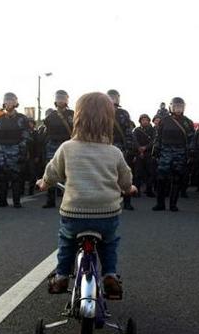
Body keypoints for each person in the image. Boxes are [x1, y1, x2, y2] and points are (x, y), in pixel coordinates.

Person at [36, 92, 136, 299]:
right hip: (106, 213)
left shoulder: (67, 148)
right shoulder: (114, 152)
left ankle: (62, 276)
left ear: (77, 118)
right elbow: (125, 179)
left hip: (75, 212)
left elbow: (52, 173)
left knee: (66, 241)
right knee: (109, 243)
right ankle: (109, 274)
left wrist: (44, 183)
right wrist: (129, 189)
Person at [152, 97, 195, 212]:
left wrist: (190, 152)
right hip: (165, 151)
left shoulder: (188, 122)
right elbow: (158, 137)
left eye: (180, 107)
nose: (178, 109)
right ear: (171, 107)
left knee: (176, 178)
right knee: (161, 178)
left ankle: (173, 205)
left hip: (180, 152)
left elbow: (192, 139)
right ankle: (160, 204)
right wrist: (155, 149)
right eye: (176, 106)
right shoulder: (164, 120)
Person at [0, 92, 30, 208]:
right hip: (1, 150)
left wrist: (22, 151)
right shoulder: (0, 118)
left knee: (15, 176)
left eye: (11, 100)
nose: (9, 103)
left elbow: (26, 136)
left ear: (16, 103)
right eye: (7, 101)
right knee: (1, 176)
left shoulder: (22, 118)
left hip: (15, 149)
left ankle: (16, 201)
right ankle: (2, 200)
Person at [40, 90, 74, 208]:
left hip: (69, 146)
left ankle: (68, 201)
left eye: (63, 98)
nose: (61, 100)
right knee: (52, 172)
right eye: (59, 98)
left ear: (67, 100)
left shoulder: (72, 114)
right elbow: (46, 133)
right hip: (53, 146)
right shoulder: (51, 116)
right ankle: (50, 200)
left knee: (69, 173)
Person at [107, 89, 135, 210]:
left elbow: (128, 132)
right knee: (108, 175)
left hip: (121, 147)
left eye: (115, 97)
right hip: (106, 147)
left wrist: (129, 148)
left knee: (124, 173)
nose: (113, 100)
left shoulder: (124, 113)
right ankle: (110, 201)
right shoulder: (100, 113)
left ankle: (127, 201)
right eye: (110, 97)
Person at [133, 114, 156, 197]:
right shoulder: (137, 130)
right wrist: (139, 148)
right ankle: (136, 191)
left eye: (146, 120)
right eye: (143, 120)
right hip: (139, 153)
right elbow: (134, 140)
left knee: (150, 173)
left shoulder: (153, 130)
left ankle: (149, 190)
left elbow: (154, 141)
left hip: (149, 153)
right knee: (138, 173)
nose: (145, 121)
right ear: (140, 121)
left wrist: (145, 147)